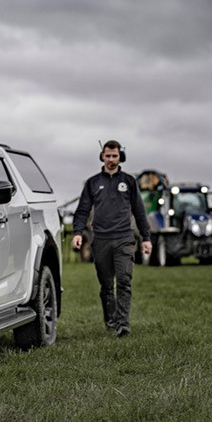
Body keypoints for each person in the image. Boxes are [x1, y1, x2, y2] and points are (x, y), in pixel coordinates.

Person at [72, 140, 152, 337]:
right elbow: (82, 210)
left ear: (120, 157)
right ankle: (111, 319)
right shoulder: (92, 183)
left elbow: (139, 212)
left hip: (124, 237)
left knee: (124, 280)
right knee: (107, 285)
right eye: (108, 156)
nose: (111, 160)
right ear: (102, 156)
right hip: (100, 240)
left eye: (114, 156)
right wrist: (77, 233)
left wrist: (146, 238)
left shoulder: (129, 182)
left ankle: (123, 324)